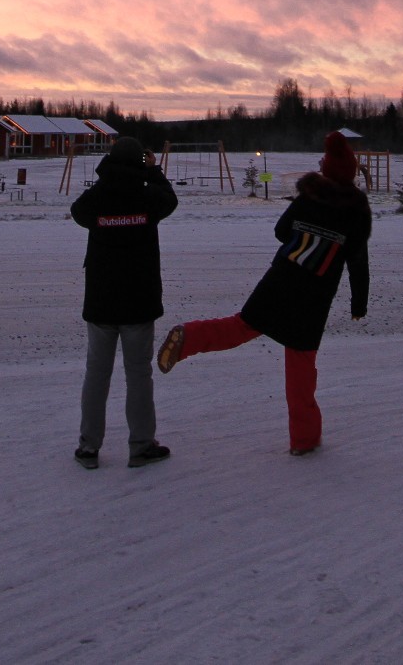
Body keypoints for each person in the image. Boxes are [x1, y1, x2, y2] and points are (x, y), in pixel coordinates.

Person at [156, 131, 370, 456]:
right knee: (300, 369)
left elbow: (281, 231)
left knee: (239, 327)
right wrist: (359, 302)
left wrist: (303, 236)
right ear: (351, 172)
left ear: (326, 168)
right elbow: (358, 259)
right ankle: (304, 440)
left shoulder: (308, 195)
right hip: (314, 296)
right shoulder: (356, 208)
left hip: (281, 280)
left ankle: (190, 337)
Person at [69, 135, 177, 469]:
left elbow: (78, 211)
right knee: (138, 375)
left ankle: (89, 447)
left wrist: (107, 178)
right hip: (138, 302)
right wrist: (153, 172)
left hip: (102, 301)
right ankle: (141, 445)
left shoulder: (98, 197)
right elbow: (170, 201)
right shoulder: (147, 196)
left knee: (96, 375)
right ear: (139, 163)